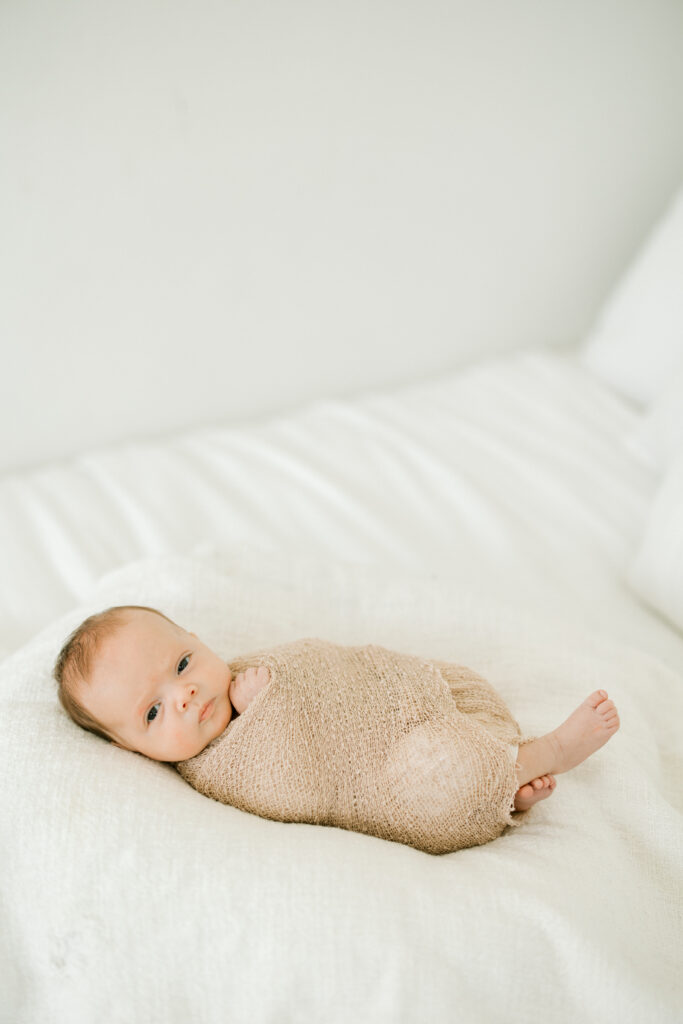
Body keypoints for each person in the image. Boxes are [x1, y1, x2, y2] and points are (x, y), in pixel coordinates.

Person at [53, 604, 620, 850]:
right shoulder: (213, 771)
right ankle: (545, 752)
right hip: (392, 780)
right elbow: (296, 790)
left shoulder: (245, 668)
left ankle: (505, 778)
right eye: (152, 713)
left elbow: (329, 666)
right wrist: (264, 715)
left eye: (181, 665)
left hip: (407, 706)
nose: (185, 696)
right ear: (130, 750)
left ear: (198, 640)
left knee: (458, 690)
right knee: (440, 777)